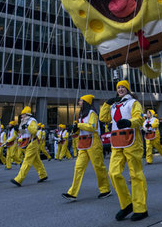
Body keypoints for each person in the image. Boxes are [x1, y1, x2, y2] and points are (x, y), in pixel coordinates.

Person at [99, 80, 148, 221]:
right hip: (117, 142)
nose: (120, 89)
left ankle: (141, 208)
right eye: (118, 87)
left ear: (128, 89)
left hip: (132, 141)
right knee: (113, 173)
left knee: (136, 175)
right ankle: (127, 204)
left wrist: (129, 123)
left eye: (123, 87)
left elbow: (139, 118)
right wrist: (106, 104)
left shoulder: (134, 103)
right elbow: (104, 118)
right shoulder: (114, 105)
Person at [62, 95, 111, 200]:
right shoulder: (81, 114)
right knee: (78, 167)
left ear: (85, 102)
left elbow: (92, 127)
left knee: (98, 167)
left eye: (80, 100)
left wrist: (79, 125)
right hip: (83, 142)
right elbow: (84, 128)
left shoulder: (91, 113)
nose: (79, 102)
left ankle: (105, 189)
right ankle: (72, 193)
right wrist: (75, 130)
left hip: (93, 141)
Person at [11, 106, 47, 186]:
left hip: (32, 142)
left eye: (23, 115)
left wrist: (27, 126)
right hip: (26, 143)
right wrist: (17, 130)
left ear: (27, 115)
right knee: (36, 161)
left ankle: (19, 179)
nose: (21, 116)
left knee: (27, 161)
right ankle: (43, 175)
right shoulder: (23, 122)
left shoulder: (32, 121)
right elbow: (22, 134)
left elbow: (34, 131)